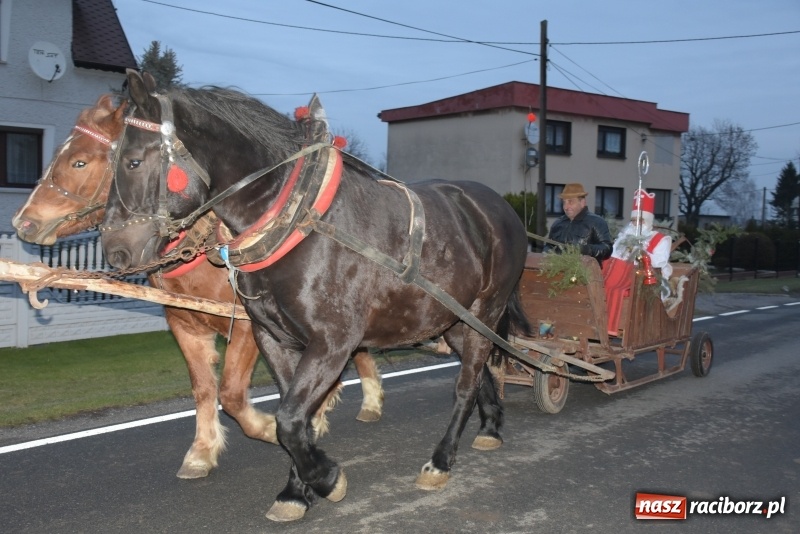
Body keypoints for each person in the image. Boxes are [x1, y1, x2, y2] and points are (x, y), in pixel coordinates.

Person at [602, 188, 673, 336]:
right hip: (622, 273)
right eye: (633, 220)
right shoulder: (625, 236)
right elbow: (614, 255)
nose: (635, 224)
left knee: (616, 288)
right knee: (599, 283)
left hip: (648, 278)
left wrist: (639, 252)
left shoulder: (660, 239)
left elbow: (659, 262)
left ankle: (610, 326)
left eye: (639, 221)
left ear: (647, 221)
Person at [544, 183, 612, 263]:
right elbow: (548, 246)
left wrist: (585, 249)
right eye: (564, 202)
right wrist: (548, 253)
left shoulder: (597, 222)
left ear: (582, 202)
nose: (566, 207)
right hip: (558, 272)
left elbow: (607, 249)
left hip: (586, 273)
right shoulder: (557, 223)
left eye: (570, 202)